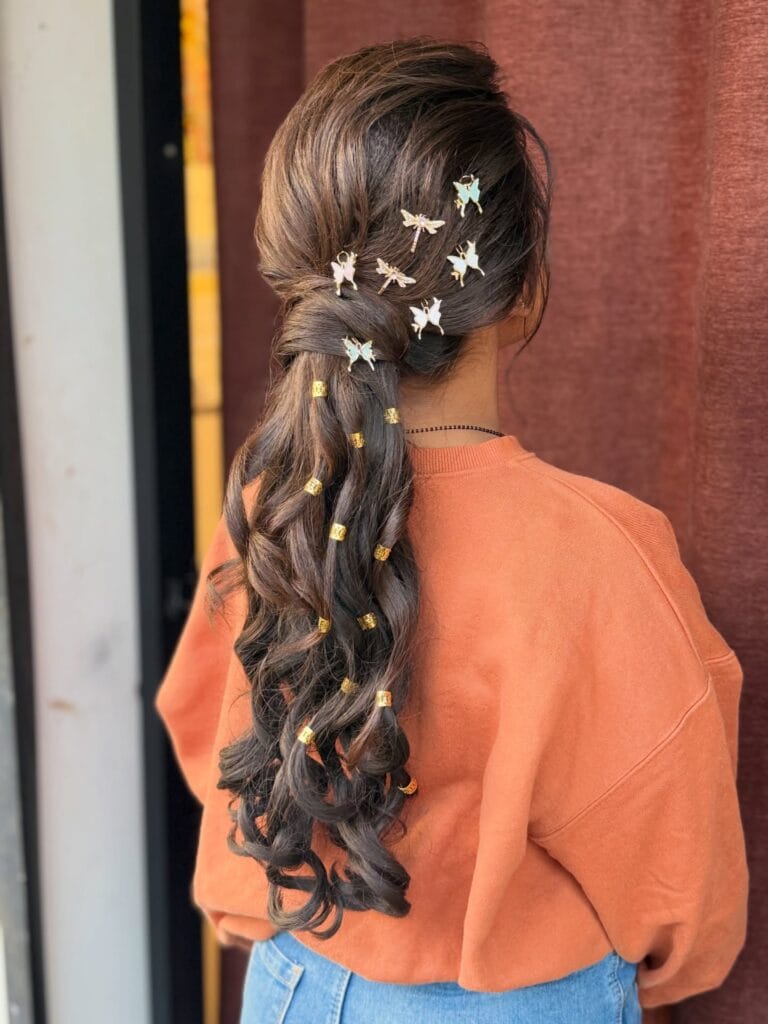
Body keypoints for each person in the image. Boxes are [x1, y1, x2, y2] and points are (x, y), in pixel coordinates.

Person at [154, 38, 749, 1024]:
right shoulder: (600, 555)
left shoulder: (275, 502)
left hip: (295, 979)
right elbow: (677, 898)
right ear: (523, 291)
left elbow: (205, 729)